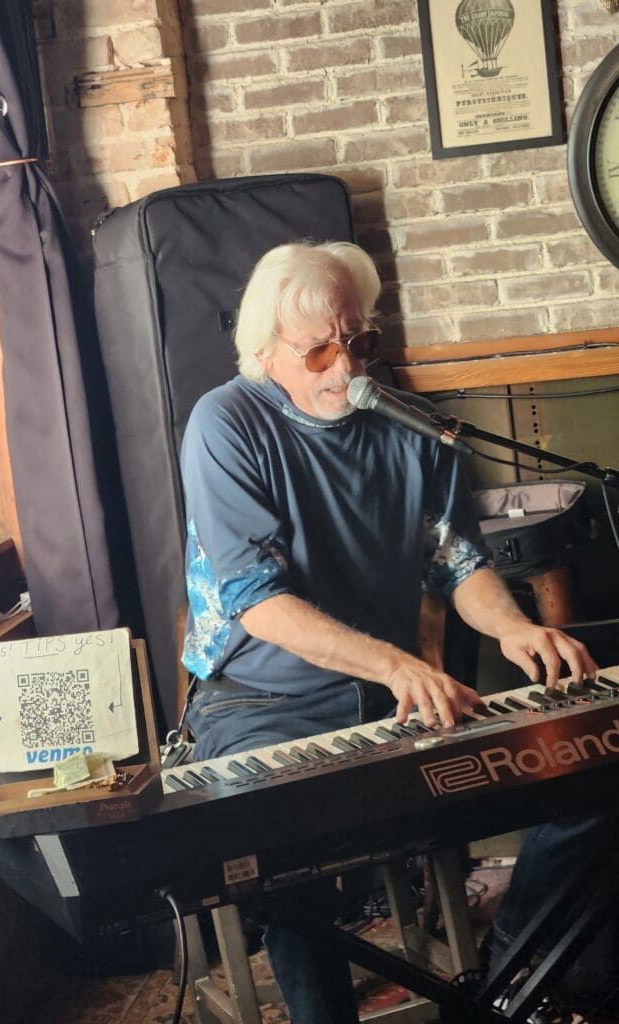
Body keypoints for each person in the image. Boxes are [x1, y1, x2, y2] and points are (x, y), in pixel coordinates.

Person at [178, 240, 605, 1024]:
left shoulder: (407, 421)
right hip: (260, 705)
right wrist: (398, 664)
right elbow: (256, 601)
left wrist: (512, 628)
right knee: (281, 849)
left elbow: (458, 561)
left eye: (360, 341)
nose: (347, 368)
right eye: (319, 350)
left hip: (393, 698)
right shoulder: (226, 424)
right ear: (265, 351)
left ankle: (514, 973)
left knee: (590, 779)